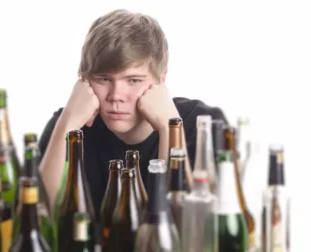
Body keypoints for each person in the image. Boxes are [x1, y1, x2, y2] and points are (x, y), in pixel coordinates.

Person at [38, 9, 228, 219]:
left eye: (134, 80)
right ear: (84, 81)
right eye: (103, 79)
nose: (116, 96)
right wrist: (68, 121)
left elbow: (192, 230)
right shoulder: (67, 126)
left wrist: (169, 127)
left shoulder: (205, 125)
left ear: (160, 81)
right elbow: (42, 218)